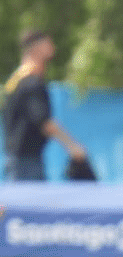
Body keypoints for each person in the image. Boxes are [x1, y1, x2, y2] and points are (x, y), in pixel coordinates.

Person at [3, 29, 86, 181]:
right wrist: (72, 146)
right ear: (37, 47)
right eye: (48, 43)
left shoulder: (17, 81)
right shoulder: (30, 83)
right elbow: (44, 122)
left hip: (20, 160)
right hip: (26, 164)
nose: (52, 47)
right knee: (28, 204)